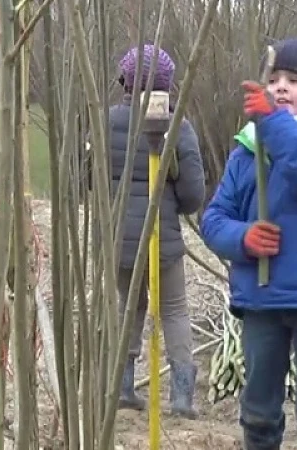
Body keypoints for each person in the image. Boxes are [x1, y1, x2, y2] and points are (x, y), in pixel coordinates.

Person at [201, 38, 297, 449]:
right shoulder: (244, 153)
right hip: (261, 298)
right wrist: (243, 238)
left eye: (293, 80)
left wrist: (274, 125)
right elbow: (213, 219)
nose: (282, 87)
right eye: (274, 80)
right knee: (260, 412)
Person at [111, 44, 206, 419]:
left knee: (128, 308)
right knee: (175, 310)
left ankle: (123, 387)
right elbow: (194, 194)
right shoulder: (179, 126)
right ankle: (181, 396)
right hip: (163, 238)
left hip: (119, 239)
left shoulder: (107, 122)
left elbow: (88, 177)